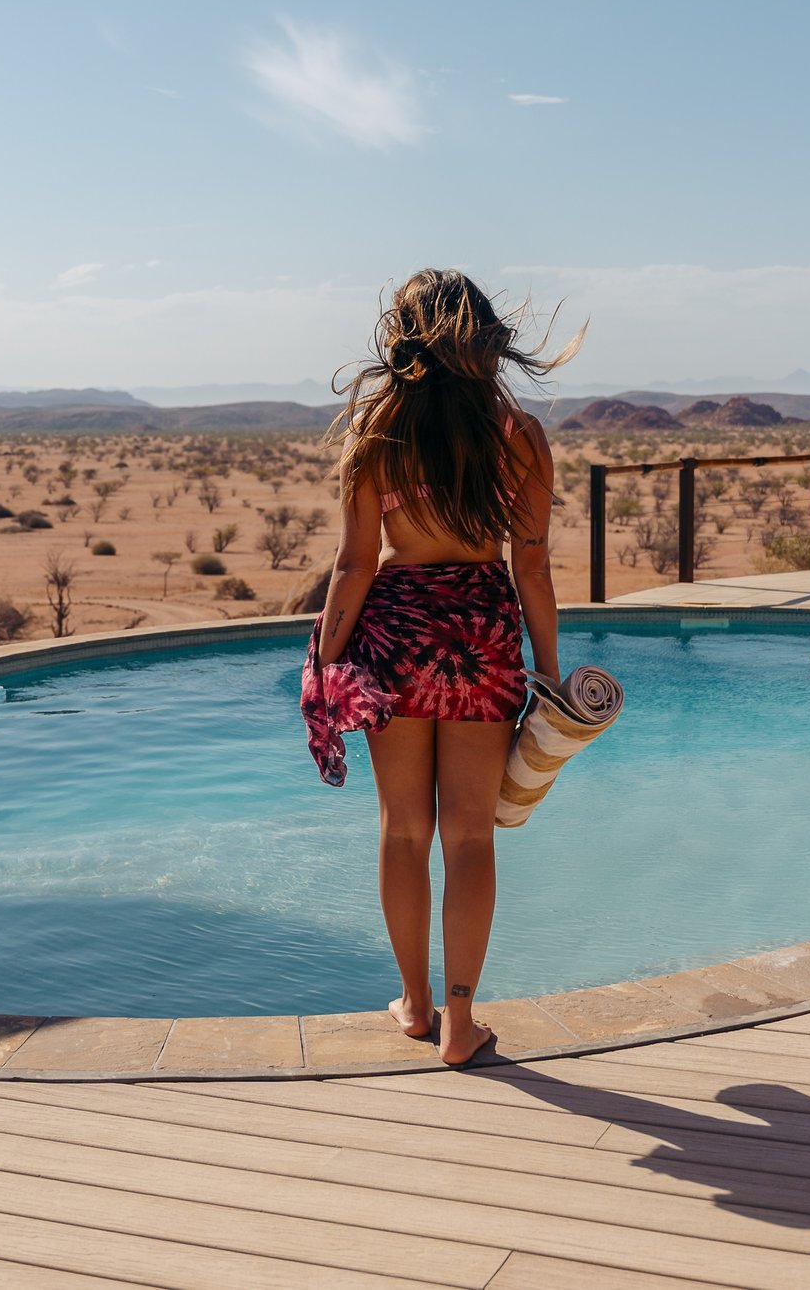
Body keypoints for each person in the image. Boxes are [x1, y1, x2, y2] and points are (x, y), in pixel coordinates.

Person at [301, 269, 574, 1066]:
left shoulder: (378, 431)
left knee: (403, 828)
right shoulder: (517, 435)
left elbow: (354, 567)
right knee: (469, 836)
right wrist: (548, 676)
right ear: (485, 339)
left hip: (397, 632)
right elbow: (533, 566)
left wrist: (324, 663)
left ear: (405, 337)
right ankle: (461, 1021)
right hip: (482, 634)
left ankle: (413, 1004)